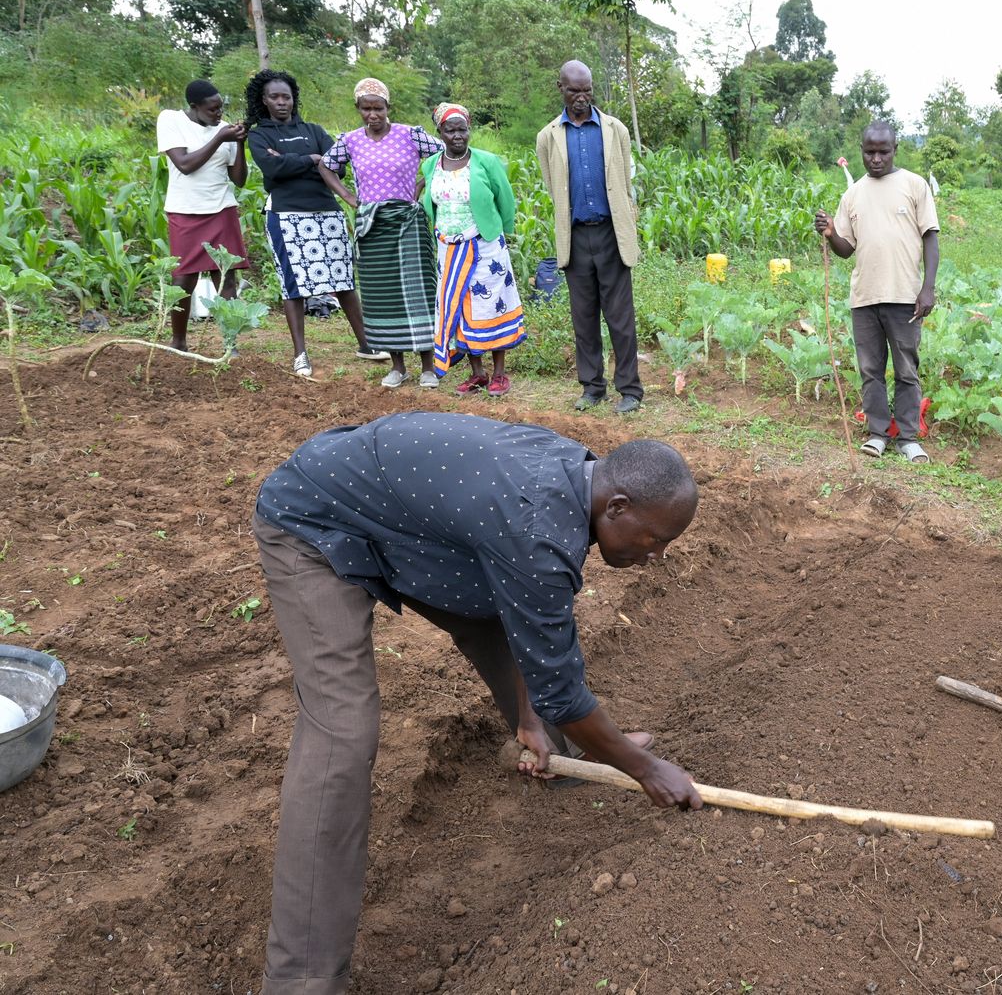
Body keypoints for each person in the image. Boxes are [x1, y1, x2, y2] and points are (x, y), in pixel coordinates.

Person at [252, 412, 704, 993]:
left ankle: (558, 752)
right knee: (342, 729)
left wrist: (534, 715)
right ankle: (301, 978)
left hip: (396, 509)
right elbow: (562, 688)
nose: (656, 554)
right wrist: (647, 770)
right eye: (656, 539)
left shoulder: (575, 478)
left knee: (499, 610)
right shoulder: (537, 527)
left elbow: (526, 613)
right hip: (313, 517)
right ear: (617, 506)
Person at [814, 120, 939, 463]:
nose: (876, 159)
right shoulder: (853, 194)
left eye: (883, 151)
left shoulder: (914, 185)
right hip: (865, 298)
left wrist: (928, 288)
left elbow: (930, 237)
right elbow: (846, 249)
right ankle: (878, 434)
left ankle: (908, 438)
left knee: (906, 369)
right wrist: (830, 233)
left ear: (894, 149)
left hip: (905, 296)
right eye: (870, 152)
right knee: (870, 370)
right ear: (862, 151)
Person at [244, 69, 382, 377]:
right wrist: (312, 159)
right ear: (264, 100)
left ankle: (367, 344)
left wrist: (293, 160)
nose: (282, 102)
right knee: (293, 286)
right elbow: (272, 168)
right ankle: (300, 354)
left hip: (326, 212)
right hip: (285, 215)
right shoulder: (259, 135)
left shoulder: (313, 129)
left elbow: (338, 167)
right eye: (274, 97)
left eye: (286, 97)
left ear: (293, 99)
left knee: (344, 281)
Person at [535, 60, 645, 414]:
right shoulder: (548, 136)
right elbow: (553, 187)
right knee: (583, 318)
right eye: (574, 91)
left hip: (612, 234)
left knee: (620, 318)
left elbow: (625, 184)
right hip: (576, 237)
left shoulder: (615, 129)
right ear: (560, 88)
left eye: (587, 90)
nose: (581, 97)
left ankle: (630, 390)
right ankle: (592, 388)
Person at [321, 78, 443, 389]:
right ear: (358, 109)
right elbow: (325, 166)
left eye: (378, 108)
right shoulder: (350, 141)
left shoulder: (410, 134)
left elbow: (444, 154)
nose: (373, 114)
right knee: (381, 296)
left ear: (388, 107)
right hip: (371, 226)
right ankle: (397, 366)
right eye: (366, 109)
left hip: (407, 222)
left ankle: (428, 367)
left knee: (418, 291)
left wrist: (419, 187)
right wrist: (348, 197)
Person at [420, 103, 526, 397]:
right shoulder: (431, 165)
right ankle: (477, 373)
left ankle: (499, 374)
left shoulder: (486, 162)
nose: (457, 136)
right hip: (448, 248)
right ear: (440, 132)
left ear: (469, 130)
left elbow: (505, 201)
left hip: (485, 247)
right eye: (450, 130)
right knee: (459, 307)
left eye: (462, 129)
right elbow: (432, 203)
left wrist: (500, 233)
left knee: (492, 304)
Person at [156, 79, 248, 353]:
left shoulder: (224, 130)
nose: (219, 114)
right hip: (185, 211)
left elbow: (239, 179)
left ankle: (230, 343)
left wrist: (240, 144)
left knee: (225, 276)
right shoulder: (171, 120)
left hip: (221, 209)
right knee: (184, 278)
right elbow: (185, 165)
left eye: (221, 108)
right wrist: (220, 138)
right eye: (212, 109)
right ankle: (179, 341)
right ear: (194, 107)